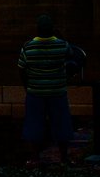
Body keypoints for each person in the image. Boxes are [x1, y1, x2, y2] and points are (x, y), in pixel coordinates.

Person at [18, 14, 73, 166]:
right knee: (61, 124)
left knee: (34, 125)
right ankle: (64, 157)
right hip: (57, 91)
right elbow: (71, 57)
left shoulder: (28, 47)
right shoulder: (62, 45)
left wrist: (28, 87)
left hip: (35, 92)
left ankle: (35, 158)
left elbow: (22, 69)